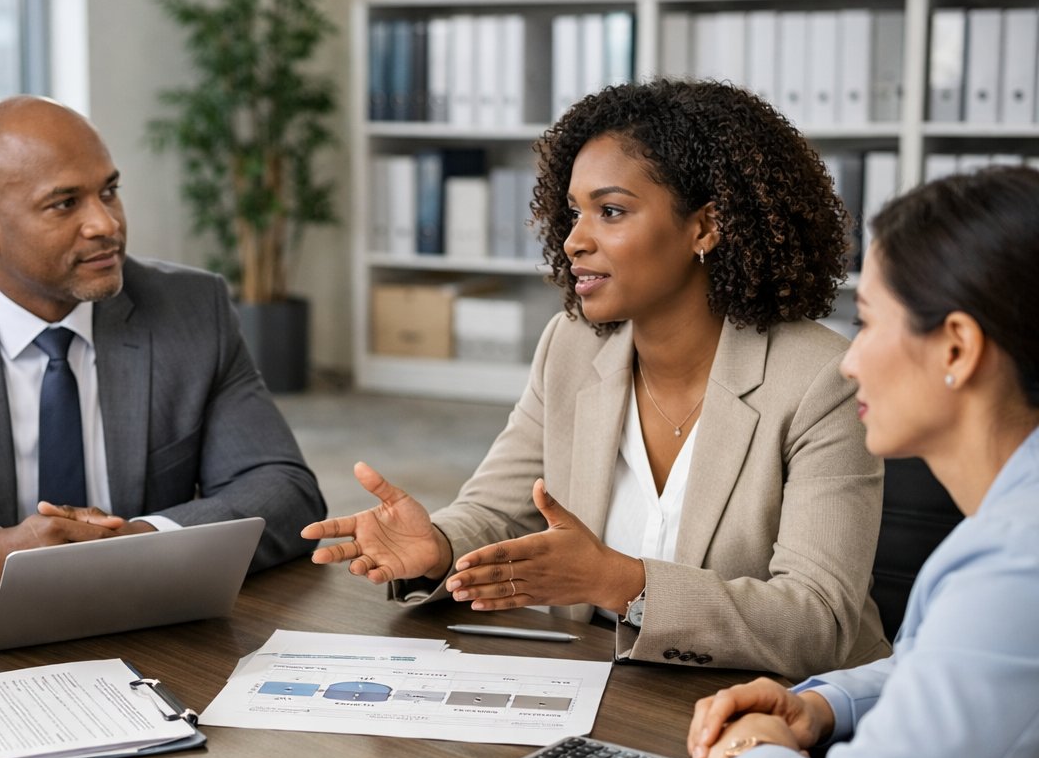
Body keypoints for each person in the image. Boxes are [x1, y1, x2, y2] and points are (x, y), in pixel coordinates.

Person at [304, 80, 887, 677]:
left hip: (781, 715)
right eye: (575, 212)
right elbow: (501, 510)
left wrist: (619, 582)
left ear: (706, 227)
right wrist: (440, 546)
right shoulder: (571, 346)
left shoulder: (820, 380)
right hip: (611, 690)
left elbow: (819, 623)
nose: (574, 240)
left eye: (611, 211)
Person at [0, 96, 323, 596]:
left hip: (151, 619)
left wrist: (145, 539)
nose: (106, 224)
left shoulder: (190, 306)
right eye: (65, 204)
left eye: (108, 191)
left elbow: (284, 489)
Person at [686, 167, 1039, 758]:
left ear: (955, 349)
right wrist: (820, 707)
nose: (848, 360)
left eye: (869, 321)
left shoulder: (1016, 559)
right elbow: (959, 663)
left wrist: (750, 754)